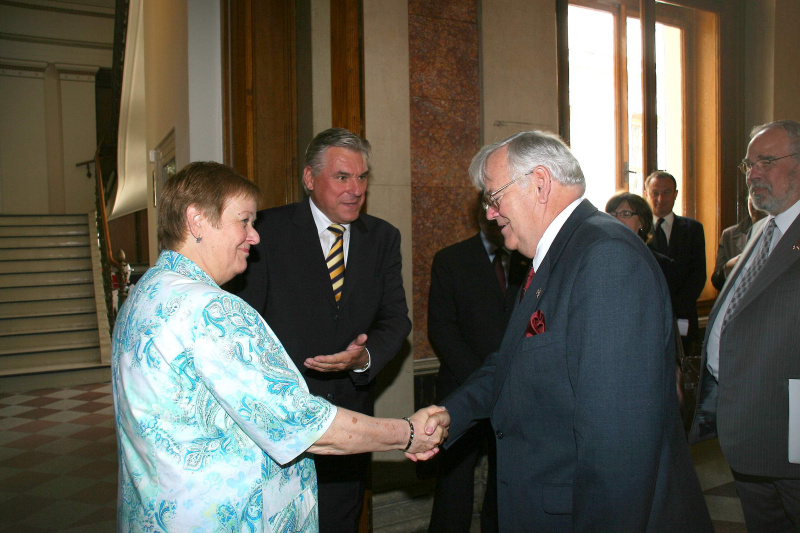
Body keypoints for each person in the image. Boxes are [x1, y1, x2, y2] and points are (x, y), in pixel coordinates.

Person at [111, 161, 445, 532]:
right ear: (197, 220)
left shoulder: (146, 292)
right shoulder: (211, 309)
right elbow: (306, 426)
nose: (254, 237)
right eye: (244, 221)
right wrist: (408, 434)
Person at [424, 130, 713, 531]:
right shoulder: (559, 253)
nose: (489, 213)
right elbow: (509, 363)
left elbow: (617, 450)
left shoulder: (605, 259)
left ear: (540, 184)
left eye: (493, 197)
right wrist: (450, 415)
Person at [230, 128, 412, 532]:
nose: (355, 189)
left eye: (362, 178)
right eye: (342, 177)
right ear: (310, 180)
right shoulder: (264, 234)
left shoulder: (382, 237)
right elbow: (245, 326)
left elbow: (396, 319)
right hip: (280, 427)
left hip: (349, 419)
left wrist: (364, 358)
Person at [689, 119, 800, 532]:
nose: (753, 174)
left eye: (766, 161)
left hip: (792, 436)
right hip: (749, 433)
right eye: (748, 164)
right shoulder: (760, 230)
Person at [426, 193, 529, 532]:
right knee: (453, 488)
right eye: (488, 208)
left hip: (517, 393)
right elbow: (441, 329)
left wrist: (506, 381)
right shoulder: (451, 259)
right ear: (479, 215)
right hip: (461, 387)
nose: (494, 214)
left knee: (506, 485)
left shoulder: (527, 258)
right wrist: (484, 381)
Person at [644, 170, 706, 347]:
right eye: (655, 193)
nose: (660, 199)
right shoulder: (639, 231)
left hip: (684, 317)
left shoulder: (693, 229)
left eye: (666, 192)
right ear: (646, 194)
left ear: (675, 194)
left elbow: (698, 275)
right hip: (649, 317)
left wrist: (673, 309)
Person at [605, 191, 677, 292]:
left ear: (642, 221)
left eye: (626, 214)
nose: (617, 219)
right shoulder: (600, 259)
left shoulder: (662, 265)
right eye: (612, 214)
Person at [711, 196, 766, 290]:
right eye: (752, 196)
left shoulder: (782, 229)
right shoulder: (729, 235)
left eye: (761, 196)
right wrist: (729, 267)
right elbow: (717, 281)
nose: (755, 203)